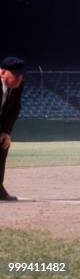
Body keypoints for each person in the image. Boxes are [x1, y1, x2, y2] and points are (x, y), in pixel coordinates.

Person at [0, 57, 24, 201]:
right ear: (2, 72)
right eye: (15, 75)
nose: (19, 79)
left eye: (20, 75)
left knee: (3, 146)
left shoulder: (18, 85)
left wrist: (6, 132)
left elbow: (15, 108)